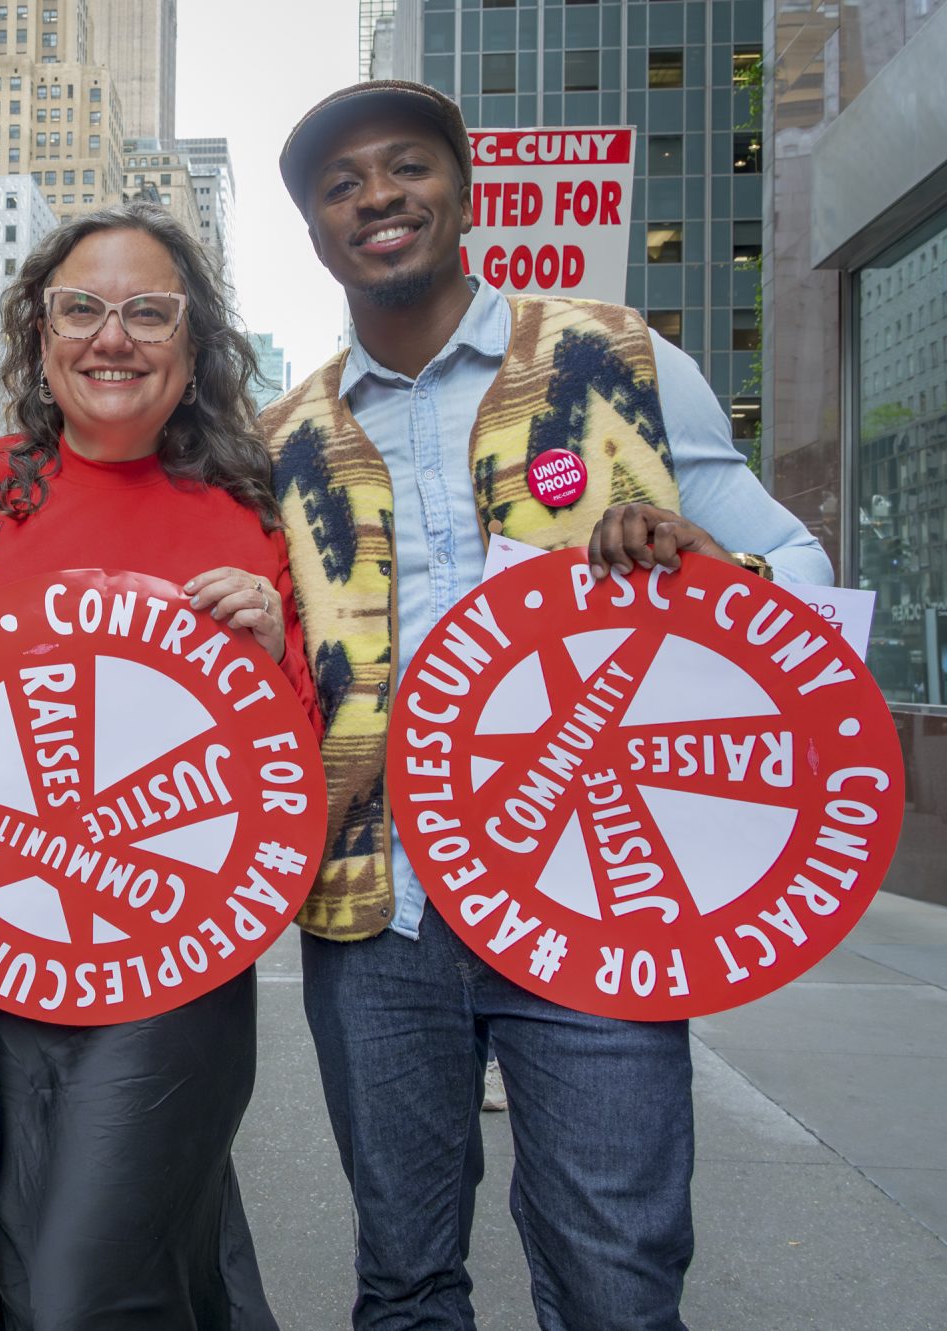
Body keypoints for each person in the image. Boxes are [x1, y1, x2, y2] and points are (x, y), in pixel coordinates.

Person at [265, 81, 833, 1330]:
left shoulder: (617, 358)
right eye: (340, 184)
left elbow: (797, 571)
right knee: (403, 1281)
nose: (376, 198)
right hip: (377, 908)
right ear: (312, 227)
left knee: (616, 1276)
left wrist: (700, 563)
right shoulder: (284, 439)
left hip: (593, 892)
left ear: (460, 190)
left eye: (403, 167)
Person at [0, 201, 321, 1330]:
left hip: (169, 958)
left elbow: (290, 758)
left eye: (149, 311)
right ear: (38, 337)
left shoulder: (248, 514)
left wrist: (271, 648)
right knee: (68, 1255)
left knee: (79, 1285)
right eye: (80, 309)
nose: (113, 336)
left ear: (192, 347)